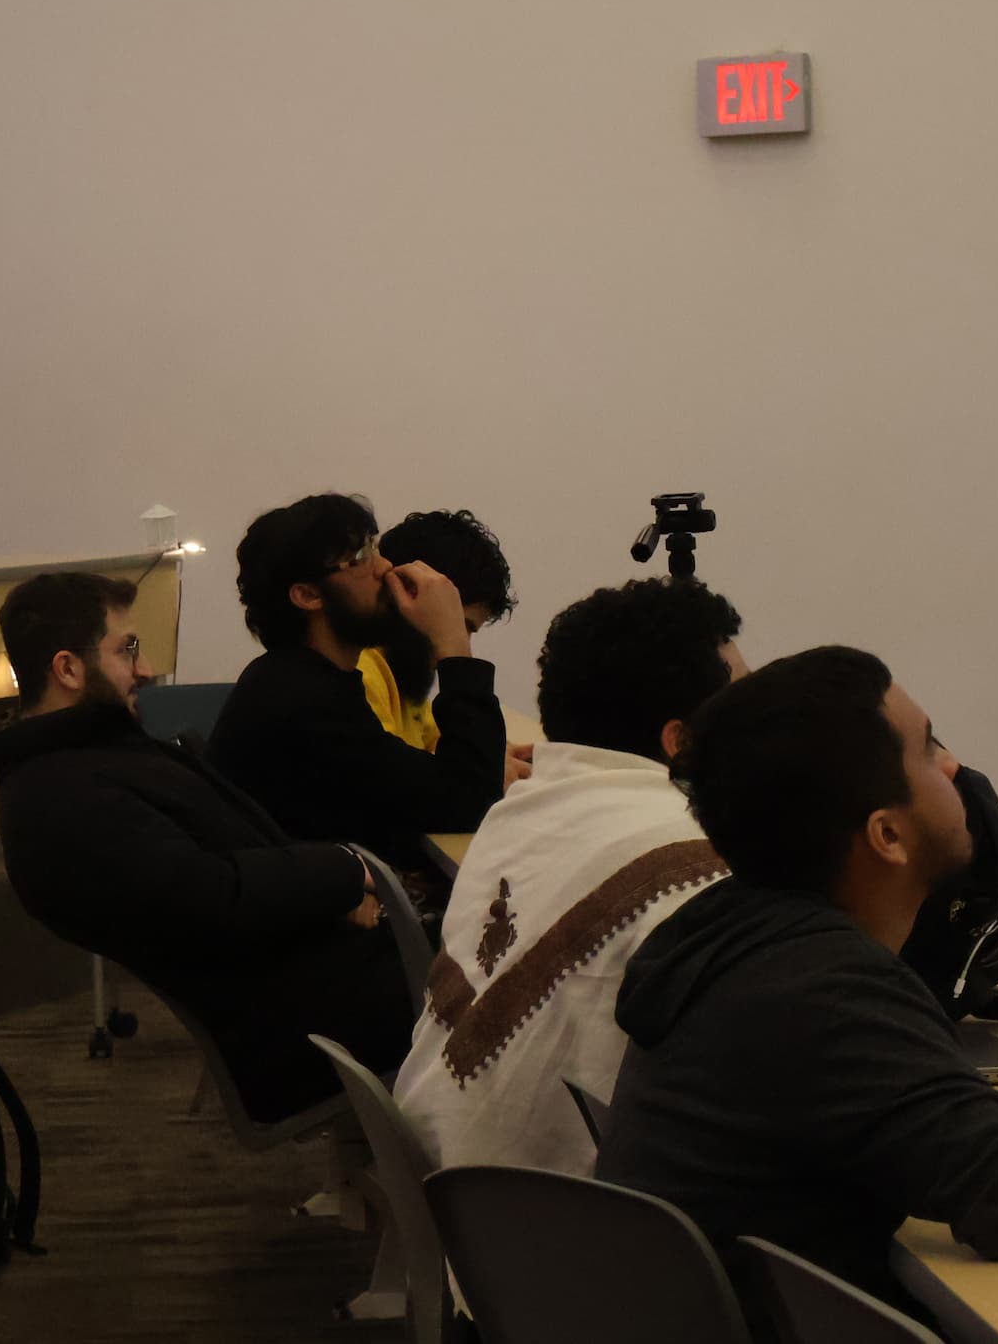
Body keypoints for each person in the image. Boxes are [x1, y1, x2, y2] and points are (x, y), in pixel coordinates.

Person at [596, 646, 998, 1321]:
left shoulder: (737, 934)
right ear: (888, 835)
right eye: (929, 751)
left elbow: (902, 1110)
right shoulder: (826, 987)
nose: (954, 767)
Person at [0, 570, 412, 1121]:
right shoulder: (63, 797)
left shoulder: (95, 760)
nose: (144, 668)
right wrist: (346, 871)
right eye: (127, 649)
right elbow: (212, 896)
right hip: (307, 1031)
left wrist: (336, 885)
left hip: (322, 983)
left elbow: (233, 864)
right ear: (68, 668)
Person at [392, 577, 744, 1179]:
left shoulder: (519, 809)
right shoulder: (697, 868)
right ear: (678, 740)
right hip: (553, 1227)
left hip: (451, 1182)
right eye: (744, 706)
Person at [207, 493, 509, 876]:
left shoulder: (315, 681)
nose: (385, 567)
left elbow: (424, 791)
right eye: (360, 559)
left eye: (374, 546)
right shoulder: (303, 704)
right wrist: (453, 646)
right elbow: (469, 801)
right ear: (308, 595)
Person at [359, 508, 517, 754]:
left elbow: (440, 746)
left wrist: (501, 758)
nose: (463, 640)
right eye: (461, 624)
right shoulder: (363, 676)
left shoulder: (406, 678)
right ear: (410, 592)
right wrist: (458, 660)